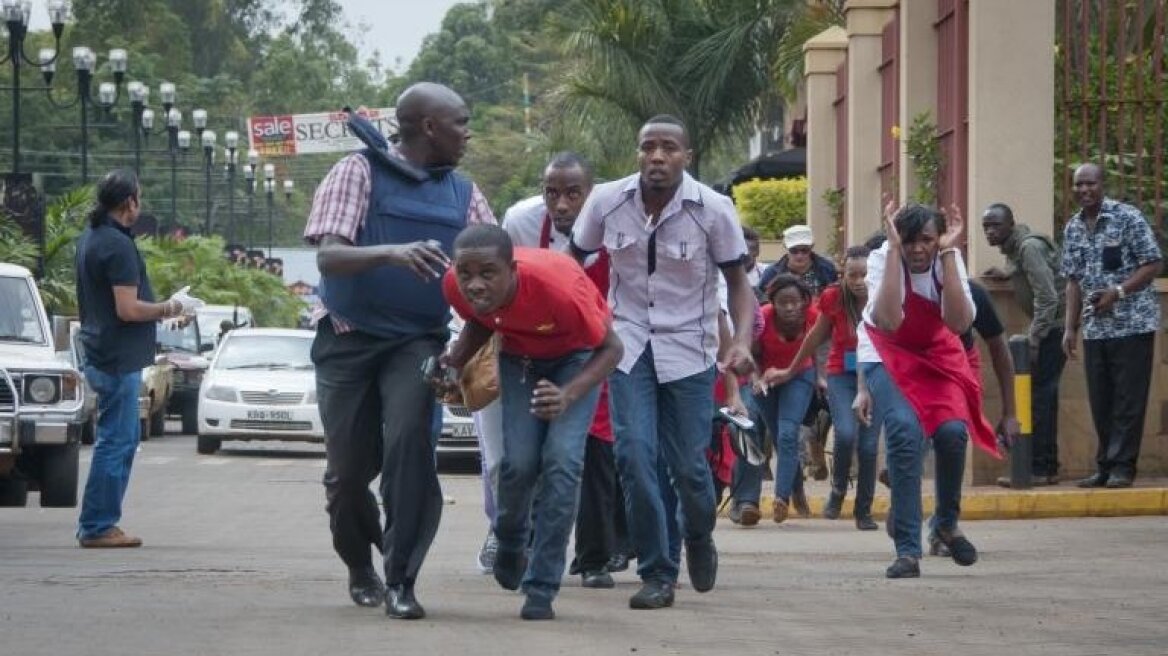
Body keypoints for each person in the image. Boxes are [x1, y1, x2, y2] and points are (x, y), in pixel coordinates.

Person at [304, 82, 496, 619]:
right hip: (347, 335)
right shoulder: (357, 172)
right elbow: (329, 259)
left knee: (410, 450)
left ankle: (401, 579)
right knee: (346, 476)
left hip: (417, 341)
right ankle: (360, 566)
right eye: (460, 121)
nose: (468, 131)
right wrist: (391, 253)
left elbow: (493, 269)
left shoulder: (465, 195)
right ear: (429, 126)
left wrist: (468, 347)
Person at [571, 114, 756, 610]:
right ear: (638, 153)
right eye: (648, 147)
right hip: (628, 348)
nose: (657, 156)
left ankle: (698, 534)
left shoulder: (713, 210)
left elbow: (738, 286)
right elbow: (573, 263)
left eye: (669, 148)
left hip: (692, 352)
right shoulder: (607, 201)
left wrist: (739, 342)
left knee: (690, 470)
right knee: (632, 458)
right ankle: (657, 571)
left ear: (686, 156)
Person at [440, 225, 623, 620]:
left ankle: (541, 584)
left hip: (576, 361)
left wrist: (567, 394)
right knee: (517, 464)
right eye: (465, 272)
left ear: (512, 269)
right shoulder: (455, 286)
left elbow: (612, 349)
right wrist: (454, 362)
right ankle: (509, 540)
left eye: (487, 273)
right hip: (519, 360)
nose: (474, 284)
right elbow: (482, 320)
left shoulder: (559, 291)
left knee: (561, 464)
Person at [853, 203, 1000, 579]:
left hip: (937, 355)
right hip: (887, 353)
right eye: (909, 240)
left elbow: (960, 321)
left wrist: (949, 252)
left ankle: (946, 525)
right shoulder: (881, 258)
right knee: (904, 430)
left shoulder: (947, 258)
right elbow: (887, 321)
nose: (918, 249)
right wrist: (891, 253)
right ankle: (907, 549)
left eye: (927, 240)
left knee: (952, 433)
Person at [503, 152, 625, 589]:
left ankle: (593, 558)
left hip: (597, 351)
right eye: (552, 193)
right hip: (532, 352)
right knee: (526, 459)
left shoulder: (618, 226)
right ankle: (522, 545)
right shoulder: (519, 223)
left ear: (590, 195)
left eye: (573, 194)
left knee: (589, 458)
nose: (561, 205)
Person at [75, 169, 204, 548]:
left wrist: (168, 312)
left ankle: (97, 521)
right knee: (117, 442)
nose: (139, 205)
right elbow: (128, 309)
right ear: (130, 202)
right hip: (117, 359)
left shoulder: (92, 238)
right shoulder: (118, 245)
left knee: (119, 440)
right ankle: (98, 524)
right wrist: (171, 305)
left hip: (101, 351)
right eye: (139, 198)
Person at [1061, 163, 1162, 489]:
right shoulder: (1073, 228)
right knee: (1101, 399)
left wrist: (1118, 292)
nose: (1084, 190)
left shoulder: (1127, 217)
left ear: (1103, 184)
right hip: (1096, 329)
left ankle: (1123, 467)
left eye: (1090, 183)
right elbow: (1073, 281)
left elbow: (1154, 262)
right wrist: (1069, 328)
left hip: (1133, 325)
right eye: (1078, 185)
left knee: (1128, 400)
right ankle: (1104, 466)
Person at [772, 246, 880, 530]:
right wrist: (792, 369)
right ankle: (838, 489)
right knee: (844, 434)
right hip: (841, 375)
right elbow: (814, 337)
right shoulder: (833, 297)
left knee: (868, 448)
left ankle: (863, 509)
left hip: (875, 376)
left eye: (864, 275)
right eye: (852, 275)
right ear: (842, 273)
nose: (858, 281)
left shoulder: (883, 295)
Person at [981, 203, 1066, 485]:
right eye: (986, 227)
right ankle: (1047, 466)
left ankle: (1040, 468)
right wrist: (1009, 273)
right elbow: (1025, 267)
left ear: (1011, 225)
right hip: (1052, 327)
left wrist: (1034, 338)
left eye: (995, 225)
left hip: (1053, 329)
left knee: (1040, 398)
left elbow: (1048, 297)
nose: (990, 231)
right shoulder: (1019, 249)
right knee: (1043, 396)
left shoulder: (1028, 248)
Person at [738, 274, 819, 524]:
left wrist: (821, 377)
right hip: (767, 382)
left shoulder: (814, 317)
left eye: (794, 302)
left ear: (804, 301)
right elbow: (749, 357)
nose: (789, 307)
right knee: (779, 438)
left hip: (798, 375)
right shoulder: (762, 317)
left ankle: (780, 498)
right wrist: (756, 379)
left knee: (787, 434)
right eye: (782, 302)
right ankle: (797, 489)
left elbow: (823, 348)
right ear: (772, 302)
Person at [757, 224, 838, 297]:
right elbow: (760, 299)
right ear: (786, 248)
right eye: (794, 251)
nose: (799, 256)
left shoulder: (827, 268)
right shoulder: (772, 272)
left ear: (811, 248)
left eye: (804, 250)